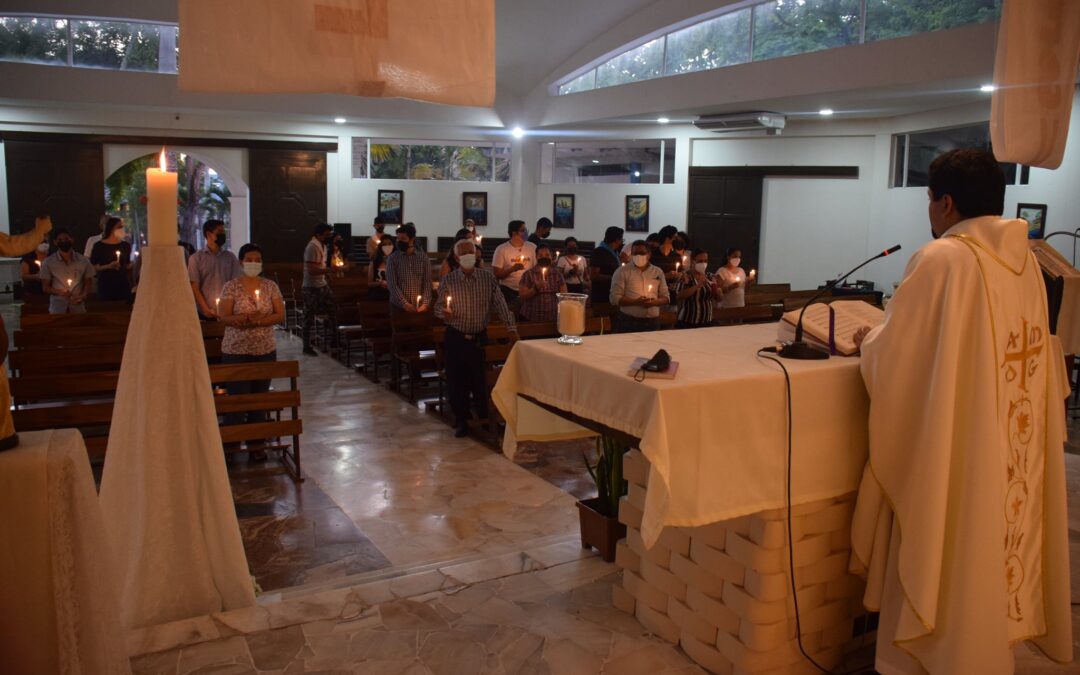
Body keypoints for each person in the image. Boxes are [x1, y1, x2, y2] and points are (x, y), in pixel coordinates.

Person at [848, 149, 1071, 675]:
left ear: (945, 203)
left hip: (959, 450)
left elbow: (898, 358)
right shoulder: (1027, 266)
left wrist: (870, 343)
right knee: (995, 540)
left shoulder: (943, 259)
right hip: (1008, 443)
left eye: (929, 201)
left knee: (948, 538)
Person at [435, 239, 518, 437]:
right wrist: (443, 313)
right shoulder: (449, 280)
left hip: (479, 337)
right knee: (458, 382)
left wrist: (512, 329)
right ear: (456, 257)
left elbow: (500, 305)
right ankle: (462, 420)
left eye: (470, 252)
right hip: (456, 337)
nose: (468, 256)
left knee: (481, 380)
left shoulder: (487, 278)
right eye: (463, 253)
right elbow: (438, 307)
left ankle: (485, 417)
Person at [218, 243, 285, 462]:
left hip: (264, 350)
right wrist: (240, 319)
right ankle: (231, 445)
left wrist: (261, 320)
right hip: (236, 351)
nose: (253, 263)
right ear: (240, 262)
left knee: (259, 400)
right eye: (249, 259)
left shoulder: (270, 286)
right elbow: (224, 316)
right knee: (238, 401)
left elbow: (279, 314)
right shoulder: (231, 287)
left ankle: (257, 444)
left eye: (257, 259)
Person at [610, 239, 668, 333]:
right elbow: (614, 299)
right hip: (630, 322)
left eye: (641, 253)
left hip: (653, 322)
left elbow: (666, 297)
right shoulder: (622, 271)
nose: (638, 256)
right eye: (635, 253)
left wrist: (654, 302)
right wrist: (636, 302)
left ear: (649, 254)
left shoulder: (657, 271)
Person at [188, 219, 242, 320]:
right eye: (219, 232)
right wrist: (205, 309)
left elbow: (235, 284)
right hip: (203, 313)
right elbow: (195, 286)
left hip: (228, 312)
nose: (223, 235)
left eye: (223, 232)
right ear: (209, 234)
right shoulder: (196, 259)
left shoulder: (230, 257)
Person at [40, 228, 95, 314]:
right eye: (60, 240)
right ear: (55, 242)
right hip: (58, 306)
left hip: (77, 305)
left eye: (66, 239)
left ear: (72, 240)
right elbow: (45, 287)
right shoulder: (49, 262)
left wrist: (83, 295)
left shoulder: (83, 260)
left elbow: (88, 282)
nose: (63, 242)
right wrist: (60, 292)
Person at [301, 223, 336, 355]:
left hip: (322, 285)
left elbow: (320, 265)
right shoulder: (312, 247)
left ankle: (334, 339)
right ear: (319, 234)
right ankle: (306, 345)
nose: (328, 237)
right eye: (327, 235)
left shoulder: (323, 245)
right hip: (311, 287)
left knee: (333, 310)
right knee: (308, 316)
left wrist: (327, 274)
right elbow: (311, 270)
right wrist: (330, 270)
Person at [385, 222, 432, 313]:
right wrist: (404, 303)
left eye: (403, 239)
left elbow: (427, 282)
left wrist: (425, 303)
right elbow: (392, 284)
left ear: (412, 239)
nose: (399, 241)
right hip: (398, 307)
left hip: (419, 306)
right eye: (398, 238)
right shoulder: (393, 258)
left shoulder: (423, 258)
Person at [518, 244, 567, 323]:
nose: (544, 257)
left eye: (547, 255)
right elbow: (522, 295)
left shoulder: (558, 275)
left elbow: (564, 296)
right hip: (531, 318)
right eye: (540, 255)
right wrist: (535, 288)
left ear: (552, 256)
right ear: (536, 257)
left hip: (552, 318)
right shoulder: (528, 274)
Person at [492, 219, 536, 306]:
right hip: (508, 290)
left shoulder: (532, 247)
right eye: (523, 230)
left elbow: (537, 268)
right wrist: (512, 269)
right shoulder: (501, 249)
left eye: (526, 230)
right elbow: (497, 274)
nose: (526, 233)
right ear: (514, 233)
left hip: (528, 289)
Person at [674, 248, 721, 328]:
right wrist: (697, 286)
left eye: (705, 261)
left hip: (707, 321)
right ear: (693, 261)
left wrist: (716, 288)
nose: (703, 263)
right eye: (700, 261)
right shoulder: (686, 276)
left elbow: (719, 299)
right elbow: (679, 296)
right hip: (688, 321)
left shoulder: (710, 276)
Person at [90, 216, 133, 302]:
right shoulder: (99, 246)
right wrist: (108, 266)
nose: (122, 229)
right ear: (112, 228)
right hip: (106, 283)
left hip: (122, 283)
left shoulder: (125, 246)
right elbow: (93, 266)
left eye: (122, 227)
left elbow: (127, 265)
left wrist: (133, 264)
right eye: (119, 227)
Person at [589, 226, 624, 309]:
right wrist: (614, 278)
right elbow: (593, 275)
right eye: (622, 239)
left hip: (613, 294)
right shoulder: (599, 252)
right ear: (617, 240)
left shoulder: (615, 253)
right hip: (602, 296)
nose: (622, 242)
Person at [366, 234, 395, 300]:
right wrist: (380, 283)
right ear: (381, 246)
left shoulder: (397, 260)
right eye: (384, 244)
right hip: (378, 292)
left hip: (393, 292)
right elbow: (369, 283)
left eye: (390, 244)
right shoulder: (375, 261)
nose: (387, 246)